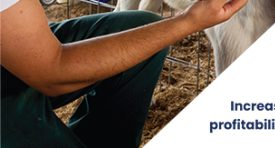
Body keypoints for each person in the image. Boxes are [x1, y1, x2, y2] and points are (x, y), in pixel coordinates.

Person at [1, 0, 247, 147]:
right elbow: (51, 72)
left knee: (141, 30)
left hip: (17, 41)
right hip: (39, 69)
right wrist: (190, 21)